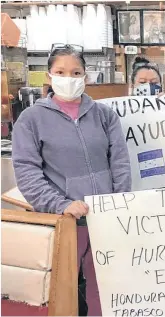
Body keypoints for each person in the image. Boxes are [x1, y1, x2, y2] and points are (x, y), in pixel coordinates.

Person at [12, 44, 131, 316]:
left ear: (86, 76)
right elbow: (27, 173)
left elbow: (120, 162)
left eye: (76, 72)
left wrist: (119, 202)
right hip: (64, 223)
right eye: (61, 71)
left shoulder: (104, 116)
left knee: (107, 286)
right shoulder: (31, 120)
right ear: (49, 76)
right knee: (62, 289)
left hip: (105, 220)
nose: (69, 77)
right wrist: (60, 204)